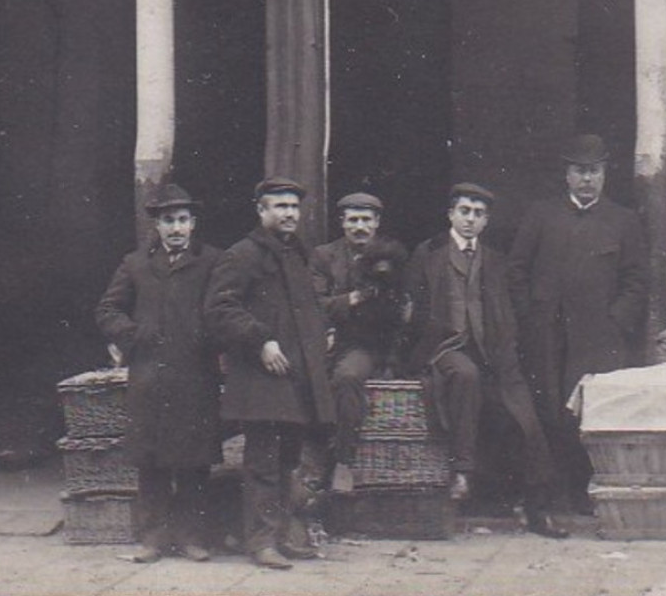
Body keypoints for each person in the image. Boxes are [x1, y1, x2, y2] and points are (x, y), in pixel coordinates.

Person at [403, 184, 569, 539]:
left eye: (478, 214)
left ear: (486, 221)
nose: (470, 220)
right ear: (451, 214)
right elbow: (411, 311)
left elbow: (508, 313)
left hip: (493, 355)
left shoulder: (496, 260)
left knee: (528, 421)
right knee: (465, 376)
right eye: (464, 211)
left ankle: (537, 509)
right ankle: (462, 472)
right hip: (444, 350)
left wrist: (506, 350)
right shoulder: (428, 253)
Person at [507, 133, 650, 508]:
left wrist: (615, 322)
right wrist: (530, 317)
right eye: (580, 171)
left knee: (593, 412)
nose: (587, 179)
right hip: (547, 334)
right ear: (567, 176)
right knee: (550, 411)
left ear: (604, 175)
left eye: (595, 171)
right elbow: (517, 270)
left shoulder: (623, 220)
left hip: (598, 338)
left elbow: (636, 280)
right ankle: (552, 492)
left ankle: (589, 491)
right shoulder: (542, 215)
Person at [203, 177, 335, 569]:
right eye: (280, 206)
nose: (289, 213)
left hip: (295, 378)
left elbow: (305, 307)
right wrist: (261, 340)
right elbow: (219, 310)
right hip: (261, 378)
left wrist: (322, 332)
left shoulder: (298, 254)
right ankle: (260, 543)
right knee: (262, 462)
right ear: (261, 211)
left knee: (287, 460)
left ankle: (280, 537)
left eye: (294, 207)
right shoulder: (242, 255)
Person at [94, 184, 222, 564]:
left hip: (195, 374)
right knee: (150, 462)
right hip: (149, 376)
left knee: (194, 461)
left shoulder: (212, 262)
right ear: (157, 226)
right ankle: (152, 538)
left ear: (193, 223)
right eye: (169, 221)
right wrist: (131, 335)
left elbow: (224, 308)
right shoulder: (135, 264)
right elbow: (107, 309)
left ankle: (191, 538)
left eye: (183, 220)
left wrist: (211, 339)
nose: (177, 228)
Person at [310, 191, 412, 494]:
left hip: (375, 342)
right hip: (337, 340)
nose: (359, 227)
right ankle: (328, 464)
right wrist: (354, 298)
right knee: (331, 379)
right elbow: (315, 303)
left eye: (366, 220)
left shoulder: (392, 254)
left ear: (377, 222)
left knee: (352, 376)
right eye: (352, 219)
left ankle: (345, 461)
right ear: (342, 222)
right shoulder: (323, 256)